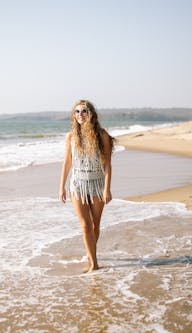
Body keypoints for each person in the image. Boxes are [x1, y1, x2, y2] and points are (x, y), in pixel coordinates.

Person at [59, 99, 115, 273]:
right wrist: (61, 186)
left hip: (97, 184)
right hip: (77, 185)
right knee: (85, 225)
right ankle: (94, 263)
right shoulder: (71, 137)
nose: (80, 115)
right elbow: (67, 162)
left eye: (84, 111)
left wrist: (107, 188)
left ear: (91, 114)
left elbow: (107, 164)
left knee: (95, 225)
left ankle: (91, 253)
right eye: (76, 112)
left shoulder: (102, 135)